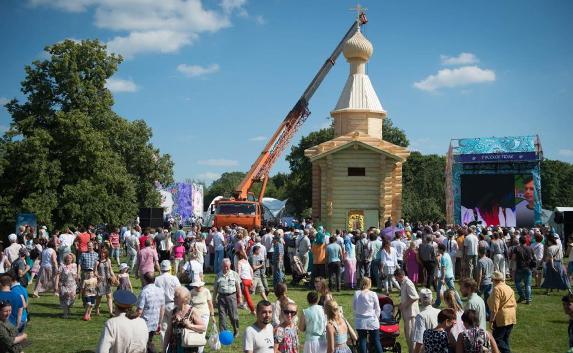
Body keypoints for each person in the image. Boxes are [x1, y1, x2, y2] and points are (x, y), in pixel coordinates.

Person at [163, 286, 206, 353]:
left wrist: (190, 326)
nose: (174, 298)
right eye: (174, 296)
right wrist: (164, 349)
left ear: (184, 299)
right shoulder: (172, 312)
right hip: (174, 347)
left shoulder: (192, 311)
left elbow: (203, 328)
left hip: (189, 347)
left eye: (176, 296)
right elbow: (168, 332)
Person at [135, 272, 166, 353]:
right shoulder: (160, 291)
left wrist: (134, 321)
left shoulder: (144, 292)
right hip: (155, 322)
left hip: (144, 323)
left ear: (144, 280)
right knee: (149, 341)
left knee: (143, 344)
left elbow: (139, 310)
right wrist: (159, 323)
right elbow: (162, 308)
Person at [487, 271, 516, 353]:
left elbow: (495, 307)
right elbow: (514, 303)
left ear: (495, 280)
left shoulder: (497, 289)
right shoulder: (509, 288)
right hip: (511, 315)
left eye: (492, 280)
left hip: (502, 317)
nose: (492, 281)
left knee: (497, 340)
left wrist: (491, 320)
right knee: (505, 339)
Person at [352, 277, 382, 353]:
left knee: (362, 340)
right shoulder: (373, 294)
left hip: (360, 320)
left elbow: (354, 307)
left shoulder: (357, 293)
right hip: (372, 319)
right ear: (369, 284)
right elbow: (377, 308)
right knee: (376, 340)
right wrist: (377, 317)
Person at [155, 260, 181, 347]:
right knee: (173, 327)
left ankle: (165, 347)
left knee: (163, 328)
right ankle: (172, 346)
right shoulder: (174, 278)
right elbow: (179, 291)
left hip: (160, 305)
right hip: (172, 304)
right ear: (170, 268)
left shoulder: (157, 279)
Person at [213, 258, 242, 337]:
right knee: (222, 316)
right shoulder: (218, 275)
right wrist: (214, 299)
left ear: (230, 266)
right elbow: (215, 289)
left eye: (227, 266)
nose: (226, 268)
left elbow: (238, 287)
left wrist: (240, 297)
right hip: (221, 297)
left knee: (233, 316)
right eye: (224, 266)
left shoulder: (234, 274)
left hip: (231, 296)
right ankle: (223, 333)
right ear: (222, 266)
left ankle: (236, 330)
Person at [395, 268, 419, 353]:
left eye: (396, 278)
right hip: (407, 314)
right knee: (408, 337)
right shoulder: (403, 283)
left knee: (411, 337)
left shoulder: (408, 283)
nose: (396, 280)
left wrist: (403, 306)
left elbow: (415, 297)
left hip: (411, 314)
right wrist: (397, 305)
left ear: (400, 276)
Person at [189, 280, 215, 353]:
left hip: (204, 314)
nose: (197, 288)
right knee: (194, 332)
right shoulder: (191, 292)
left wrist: (212, 315)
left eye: (199, 286)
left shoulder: (206, 291)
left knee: (202, 333)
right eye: (195, 286)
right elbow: (189, 304)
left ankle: (200, 351)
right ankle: (194, 349)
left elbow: (210, 304)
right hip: (194, 314)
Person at [412, 288, 440, 353]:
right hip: (440, 348)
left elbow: (419, 341)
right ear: (432, 300)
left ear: (419, 301)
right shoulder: (439, 312)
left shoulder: (420, 316)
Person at [55, 253, 78, 318]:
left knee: (72, 299)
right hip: (64, 285)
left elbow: (76, 275)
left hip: (73, 285)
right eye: (68, 258)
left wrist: (78, 283)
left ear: (72, 259)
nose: (69, 259)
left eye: (70, 258)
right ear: (65, 258)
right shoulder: (62, 266)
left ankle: (68, 308)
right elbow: (57, 275)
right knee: (64, 299)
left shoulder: (74, 265)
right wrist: (56, 285)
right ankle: (65, 314)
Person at [512, 236, 534, 304]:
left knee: (517, 283)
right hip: (528, 267)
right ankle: (528, 299)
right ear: (526, 241)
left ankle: (522, 295)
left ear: (519, 241)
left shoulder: (517, 248)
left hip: (520, 267)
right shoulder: (530, 248)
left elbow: (513, 258)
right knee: (528, 285)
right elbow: (533, 257)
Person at [95, 248, 115, 317]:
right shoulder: (97, 262)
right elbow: (95, 271)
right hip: (100, 281)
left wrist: (114, 277)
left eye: (104, 253)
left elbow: (110, 269)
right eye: (101, 253)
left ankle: (111, 312)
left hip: (108, 280)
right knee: (99, 297)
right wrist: (98, 276)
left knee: (109, 296)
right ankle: (97, 309)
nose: (102, 254)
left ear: (106, 254)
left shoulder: (108, 260)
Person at [476, 247, 494, 313]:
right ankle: (488, 313)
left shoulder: (480, 261)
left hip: (483, 282)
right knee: (488, 299)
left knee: (477, 298)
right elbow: (493, 271)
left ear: (479, 252)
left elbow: (479, 274)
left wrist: (478, 285)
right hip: (490, 282)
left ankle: (478, 312)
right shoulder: (490, 260)